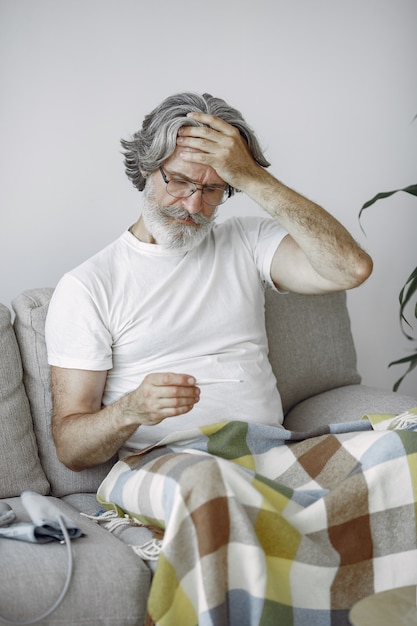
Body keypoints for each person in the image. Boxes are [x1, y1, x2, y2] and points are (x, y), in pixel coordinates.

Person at [45, 92, 372, 472]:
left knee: (400, 457)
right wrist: (129, 410)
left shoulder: (247, 241)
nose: (194, 206)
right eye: (180, 182)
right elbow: (70, 449)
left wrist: (252, 175)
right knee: (214, 497)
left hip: (269, 453)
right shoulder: (89, 286)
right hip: (169, 464)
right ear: (146, 167)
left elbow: (350, 269)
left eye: (214, 189)